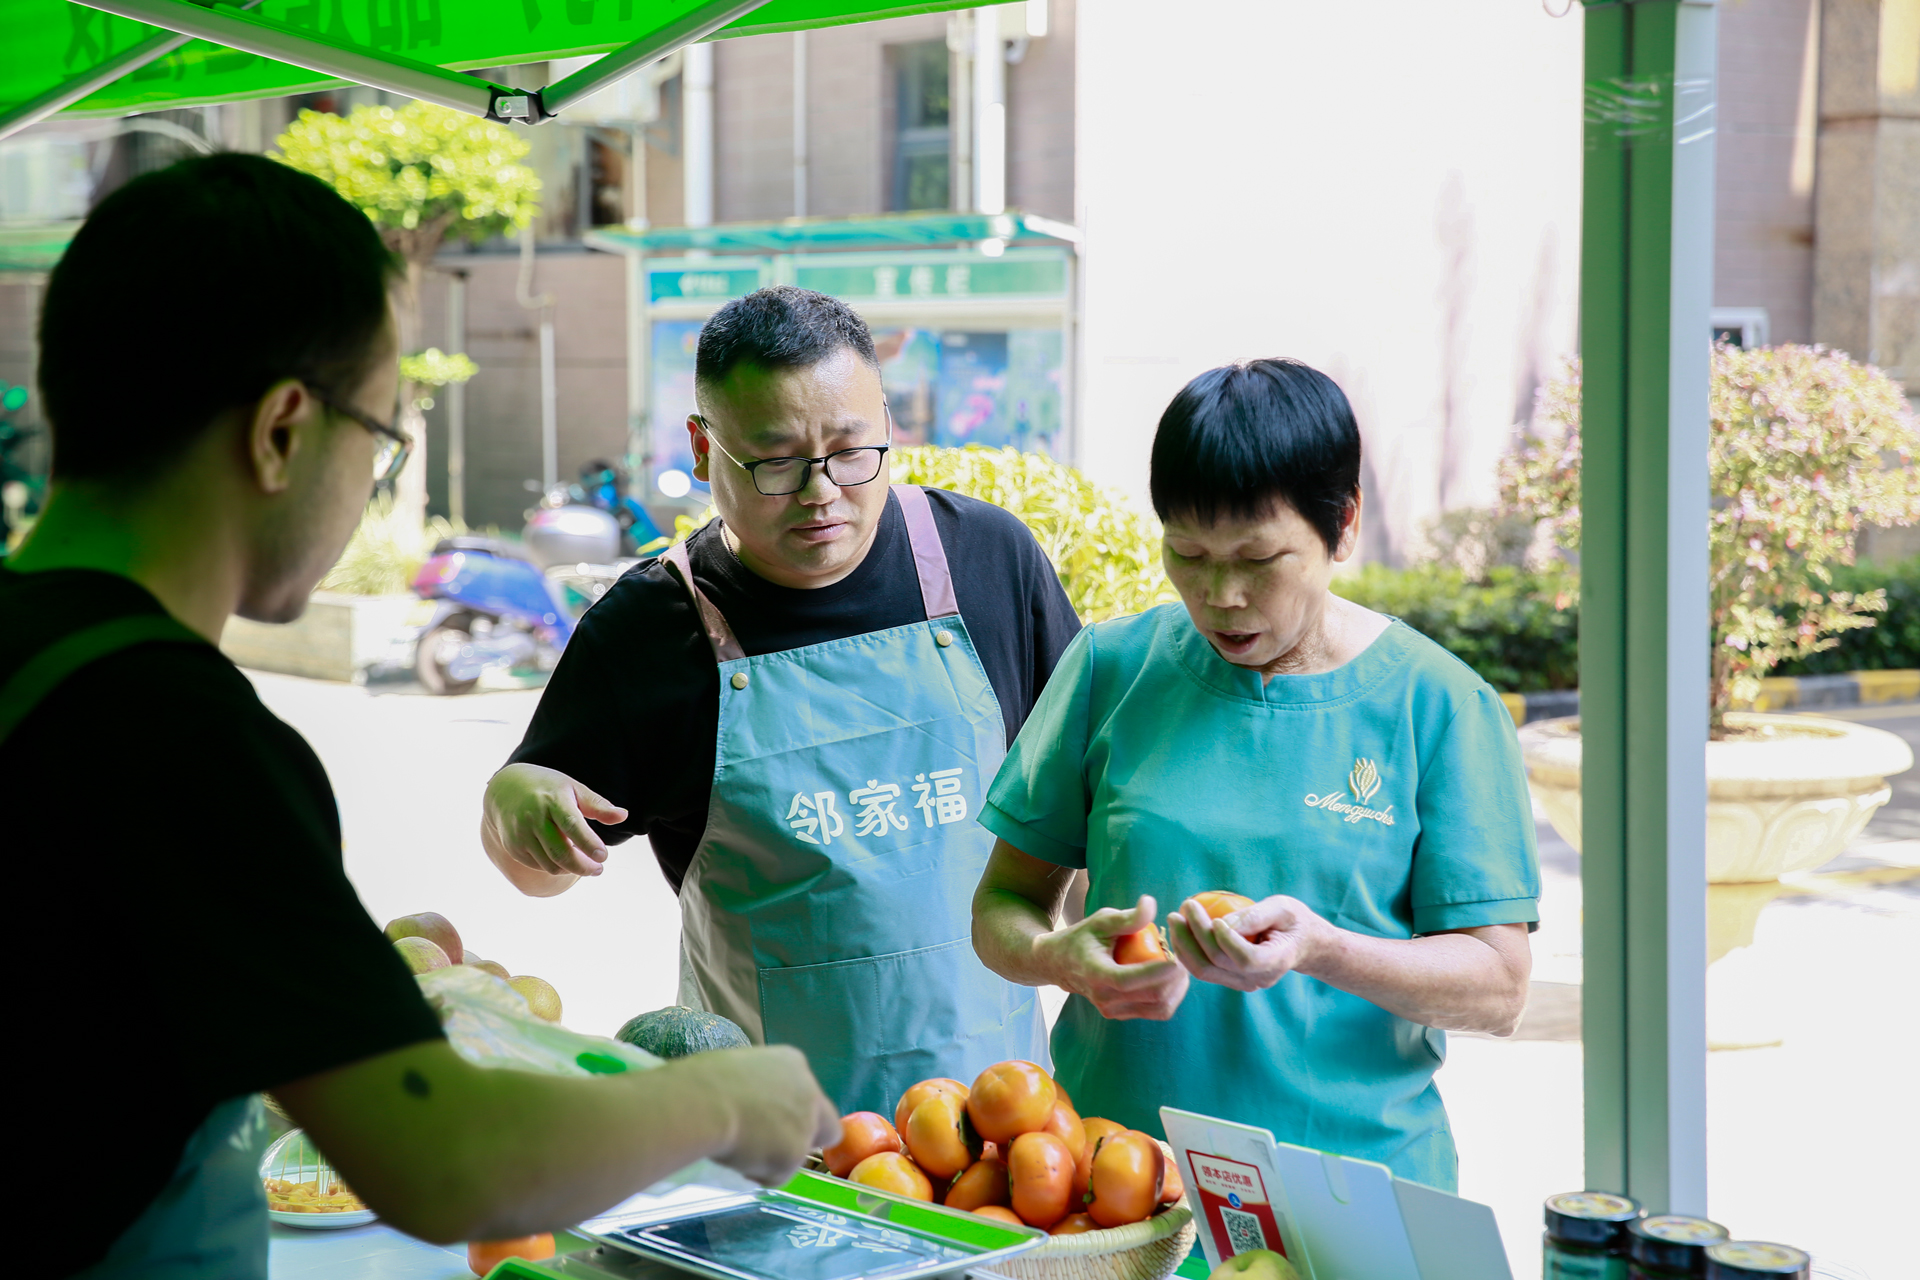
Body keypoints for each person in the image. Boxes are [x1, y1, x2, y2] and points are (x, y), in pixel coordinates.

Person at [2, 155, 838, 1280]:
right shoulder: (179, 736)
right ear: (283, 430)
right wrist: (715, 1101)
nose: (372, 481)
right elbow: (443, 1156)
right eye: (380, 435)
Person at [482, 287, 1083, 1114]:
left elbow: (1082, 809)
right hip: (769, 1146)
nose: (821, 491)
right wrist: (514, 800)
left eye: (850, 449)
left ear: (888, 424)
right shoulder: (648, 631)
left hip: (1002, 1131)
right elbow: (534, 875)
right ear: (702, 449)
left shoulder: (987, 558)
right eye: (774, 460)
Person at [970, 358, 1539, 1190]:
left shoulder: (1440, 705)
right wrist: (1061, 957)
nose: (1222, 595)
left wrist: (1324, 950)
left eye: (1259, 559)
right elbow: (1001, 906)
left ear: (1342, 527)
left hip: (1353, 1192)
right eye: (1188, 554)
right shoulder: (1109, 668)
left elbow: (1498, 988)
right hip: (1119, 1185)